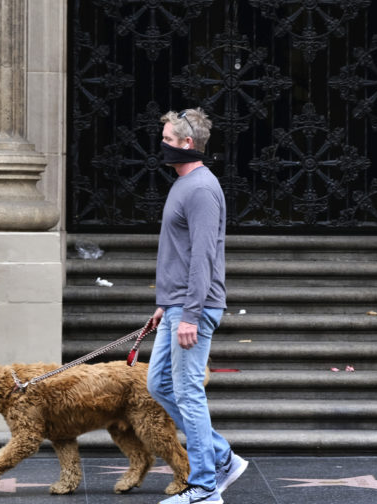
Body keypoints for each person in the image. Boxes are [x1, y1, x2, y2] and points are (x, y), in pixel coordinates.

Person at [146, 108, 248, 504]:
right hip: (176, 306)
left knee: (188, 392)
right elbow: (179, 253)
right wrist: (165, 304)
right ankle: (222, 458)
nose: (163, 145)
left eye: (169, 139)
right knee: (159, 384)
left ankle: (205, 487)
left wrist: (188, 313)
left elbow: (204, 257)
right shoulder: (183, 184)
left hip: (195, 310)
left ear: (188, 143)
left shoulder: (202, 189)